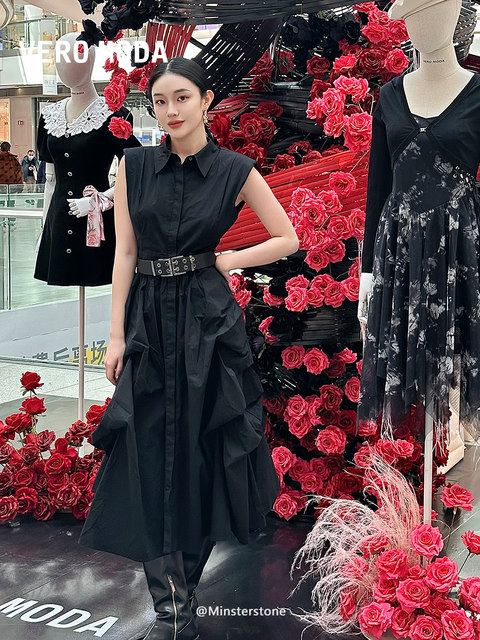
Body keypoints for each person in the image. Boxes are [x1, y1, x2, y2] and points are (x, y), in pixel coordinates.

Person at [78, 57, 299, 640]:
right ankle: (169, 608)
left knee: (200, 452)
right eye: (160, 101)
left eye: (182, 98)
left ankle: (185, 595)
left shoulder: (234, 170)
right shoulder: (133, 165)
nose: (171, 111)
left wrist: (231, 259)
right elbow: (125, 252)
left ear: (206, 101)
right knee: (148, 450)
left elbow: (287, 236)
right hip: (148, 320)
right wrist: (115, 334)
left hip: (207, 321)